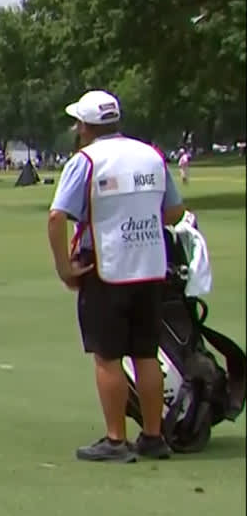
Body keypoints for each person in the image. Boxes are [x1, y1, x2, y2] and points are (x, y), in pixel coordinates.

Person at [47, 90, 187, 463]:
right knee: (145, 354)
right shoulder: (150, 155)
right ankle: (154, 436)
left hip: (105, 268)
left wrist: (64, 267)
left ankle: (115, 440)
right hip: (150, 267)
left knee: (107, 356)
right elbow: (173, 210)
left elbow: (57, 217)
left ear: (86, 127)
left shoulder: (86, 161)